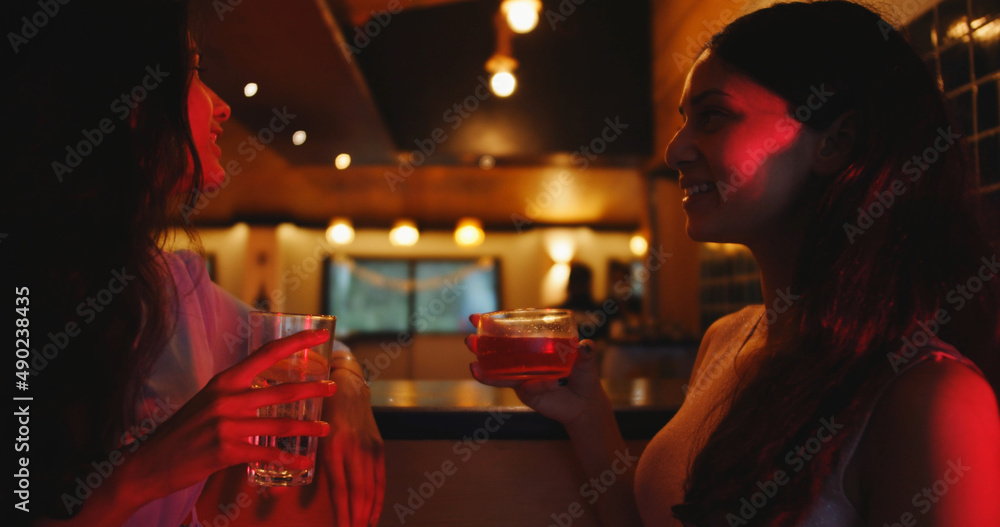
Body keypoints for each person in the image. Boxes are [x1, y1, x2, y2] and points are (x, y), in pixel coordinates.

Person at [466, 2, 1000, 526]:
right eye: (684, 121)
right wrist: (587, 416)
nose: (675, 151)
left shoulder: (933, 400)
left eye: (713, 116)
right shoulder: (727, 341)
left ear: (834, 143)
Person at [4, 1, 383, 526]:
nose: (222, 107)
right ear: (130, 104)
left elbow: (312, 347)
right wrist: (147, 471)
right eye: (194, 76)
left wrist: (346, 387)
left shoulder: (171, 283)